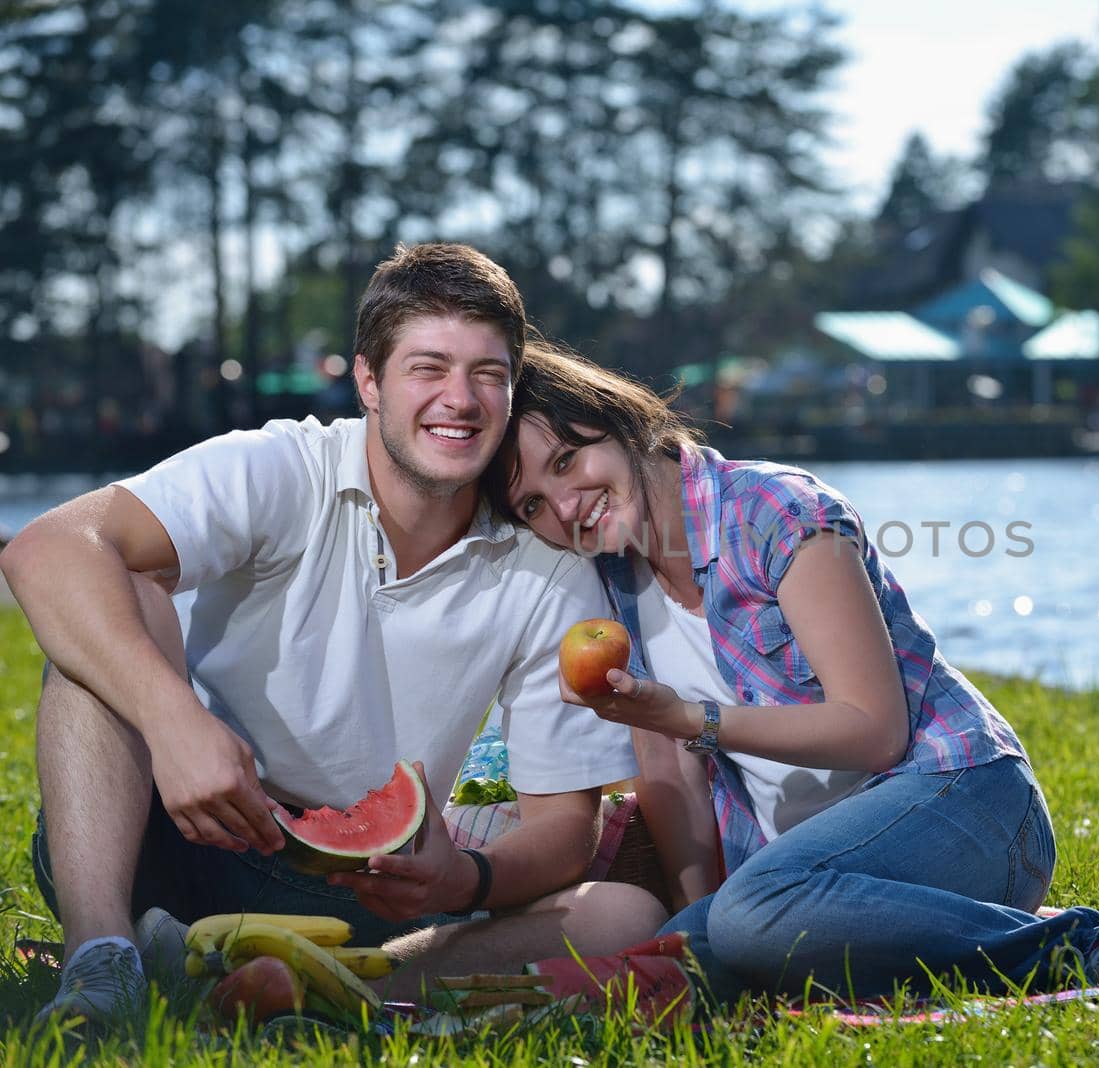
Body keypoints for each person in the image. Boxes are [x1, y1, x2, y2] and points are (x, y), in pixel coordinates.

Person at [0, 244, 664, 1027]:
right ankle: (103, 959)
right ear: (369, 383)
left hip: (375, 893)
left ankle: (320, 986)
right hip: (174, 834)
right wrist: (173, 722)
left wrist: (465, 880)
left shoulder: (547, 569)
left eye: (488, 373)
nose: (461, 399)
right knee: (119, 596)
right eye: (428, 368)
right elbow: (45, 548)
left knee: (622, 914)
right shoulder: (282, 466)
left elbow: (560, 834)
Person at [492, 348, 1099, 1003]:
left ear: (614, 419)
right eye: (532, 506)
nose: (564, 507)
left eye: (564, 463)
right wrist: (689, 927)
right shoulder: (613, 577)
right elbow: (668, 774)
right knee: (702, 951)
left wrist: (692, 719)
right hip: (810, 876)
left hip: (965, 801)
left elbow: (873, 730)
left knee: (749, 919)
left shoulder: (776, 512)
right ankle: (967, 931)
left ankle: (1088, 950)